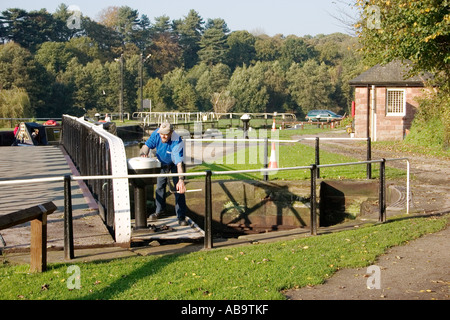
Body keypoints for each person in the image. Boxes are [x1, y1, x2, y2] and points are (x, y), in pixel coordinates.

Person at [140, 121, 188, 226]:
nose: (163, 136)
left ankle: (181, 216)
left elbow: (179, 164)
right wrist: (144, 153)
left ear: (171, 132)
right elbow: (146, 145)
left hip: (175, 163)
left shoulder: (177, 141)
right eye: (162, 133)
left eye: (166, 134)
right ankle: (159, 211)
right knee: (159, 186)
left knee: (178, 189)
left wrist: (181, 180)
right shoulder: (156, 134)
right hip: (162, 162)